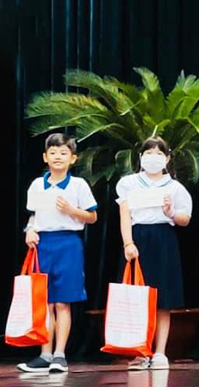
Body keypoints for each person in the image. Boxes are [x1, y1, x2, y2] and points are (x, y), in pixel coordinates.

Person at [18, 133, 98, 373]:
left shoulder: (78, 185)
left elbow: (92, 216)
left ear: (73, 158)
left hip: (68, 244)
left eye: (63, 153)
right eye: (53, 153)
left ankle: (59, 355)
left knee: (62, 302)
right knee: (44, 302)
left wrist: (72, 209)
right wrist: (29, 229)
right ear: (45, 157)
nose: (58, 157)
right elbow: (34, 216)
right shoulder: (36, 184)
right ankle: (44, 353)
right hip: (43, 244)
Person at [117, 137, 193, 370]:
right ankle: (140, 352)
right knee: (138, 299)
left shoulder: (175, 187)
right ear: (140, 157)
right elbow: (125, 215)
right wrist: (128, 243)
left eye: (159, 154)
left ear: (167, 158)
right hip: (138, 240)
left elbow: (185, 219)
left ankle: (160, 352)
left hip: (164, 240)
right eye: (148, 153)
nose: (153, 158)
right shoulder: (128, 183)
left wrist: (170, 212)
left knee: (164, 299)